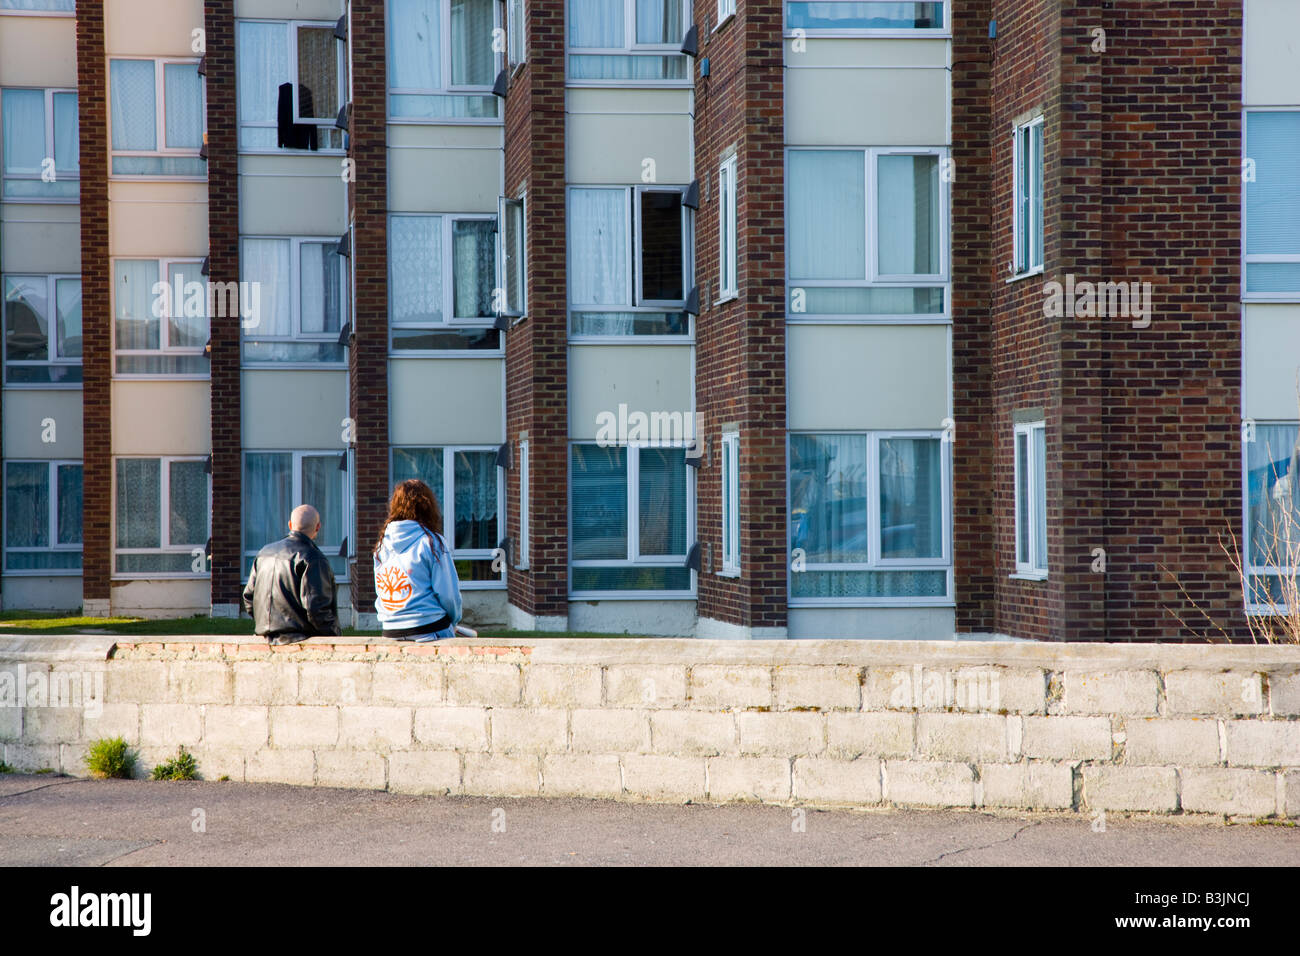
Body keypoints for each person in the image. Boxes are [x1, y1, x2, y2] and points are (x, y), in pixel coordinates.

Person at [373, 479, 462, 641]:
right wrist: (454, 621)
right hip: (429, 627)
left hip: (390, 629)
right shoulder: (432, 542)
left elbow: (380, 590)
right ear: (428, 507)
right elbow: (449, 595)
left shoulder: (381, 545)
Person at [242, 504, 341, 646]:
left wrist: (265, 622)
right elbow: (316, 608)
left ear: (290, 525)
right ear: (318, 527)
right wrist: (335, 635)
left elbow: (249, 598)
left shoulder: (264, 552)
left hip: (263, 638)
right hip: (300, 640)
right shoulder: (313, 558)